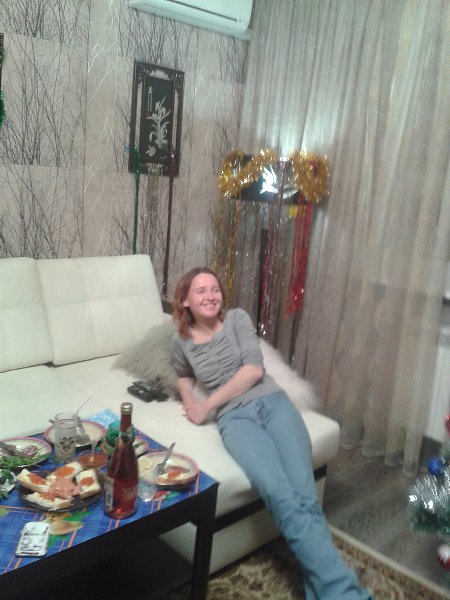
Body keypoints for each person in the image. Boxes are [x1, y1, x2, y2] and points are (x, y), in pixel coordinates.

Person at [170, 267, 373, 600]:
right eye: (201, 291)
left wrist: (206, 406)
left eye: (214, 289)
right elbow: (181, 373)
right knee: (281, 497)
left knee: (306, 498)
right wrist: (190, 400)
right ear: (185, 301)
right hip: (236, 421)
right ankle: (348, 594)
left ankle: (328, 592)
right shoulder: (181, 341)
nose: (210, 296)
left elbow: (253, 371)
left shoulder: (237, 319)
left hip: (275, 404)